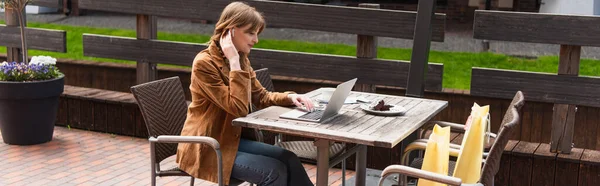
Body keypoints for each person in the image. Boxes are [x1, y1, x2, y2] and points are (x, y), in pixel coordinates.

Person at [176, 2, 315, 186]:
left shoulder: (241, 59)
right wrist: (234, 62)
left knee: (288, 158)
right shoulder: (204, 64)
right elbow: (238, 109)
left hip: (231, 140)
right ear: (231, 31)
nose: (256, 39)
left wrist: (290, 97)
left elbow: (262, 96)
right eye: (251, 32)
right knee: (273, 171)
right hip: (208, 146)